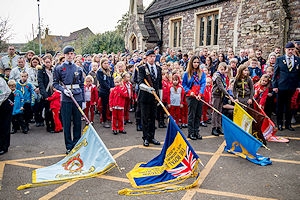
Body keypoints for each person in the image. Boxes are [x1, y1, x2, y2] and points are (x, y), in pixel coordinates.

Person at [53, 46, 85, 154]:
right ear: (64, 55)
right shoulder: (59, 68)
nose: (70, 56)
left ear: (74, 55)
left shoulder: (79, 68)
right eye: (68, 54)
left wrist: (83, 100)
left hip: (77, 97)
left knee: (77, 122)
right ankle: (69, 145)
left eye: (72, 54)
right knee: (67, 123)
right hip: (66, 98)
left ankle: (77, 144)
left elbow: (81, 85)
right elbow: (55, 83)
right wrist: (63, 90)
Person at [272, 42, 300, 131]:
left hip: (292, 87)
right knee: (280, 106)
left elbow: (299, 74)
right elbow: (275, 74)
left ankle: (288, 124)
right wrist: (274, 86)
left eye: (292, 49)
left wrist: (298, 85)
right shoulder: (280, 59)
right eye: (289, 49)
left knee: (289, 106)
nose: (290, 51)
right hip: (281, 86)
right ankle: (279, 124)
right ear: (285, 50)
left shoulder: (297, 60)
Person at [138, 49, 162, 147]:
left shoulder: (158, 69)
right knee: (145, 118)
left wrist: (160, 98)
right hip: (145, 97)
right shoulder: (142, 68)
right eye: (150, 56)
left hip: (154, 98)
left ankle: (152, 137)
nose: (152, 58)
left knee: (153, 118)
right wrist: (148, 88)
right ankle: (145, 138)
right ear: (147, 58)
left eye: (154, 56)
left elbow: (160, 84)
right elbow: (140, 83)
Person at [182, 55, 206, 140]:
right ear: (191, 63)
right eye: (194, 62)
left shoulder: (201, 73)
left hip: (199, 96)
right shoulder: (186, 73)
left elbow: (203, 83)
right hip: (191, 96)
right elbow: (184, 84)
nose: (196, 64)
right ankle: (191, 132)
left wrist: (200, 93)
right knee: (191, 114)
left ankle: (196, 131)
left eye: (197, 62)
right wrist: (189, 91)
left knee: (198, 114)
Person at [211, 62, 235, 136]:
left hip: (221, 95)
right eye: (221, 69)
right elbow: (221, 87)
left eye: (223, 70)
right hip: (216, 95)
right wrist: (228, 95)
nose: (222, 71)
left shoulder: (223, 76)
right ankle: (214, 127)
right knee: (215, 111)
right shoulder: (217, 76)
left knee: (219, 111)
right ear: (218, 68)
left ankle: (218, 127)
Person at [38, 54, 55, 132]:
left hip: (54, 92)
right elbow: (40, 83)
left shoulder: (54, 70)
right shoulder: (41, 71)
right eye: (46, 62)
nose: (48, 64)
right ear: (43, 62)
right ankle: (48, 126)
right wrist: (44, 94)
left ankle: (55, 125)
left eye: (49, 62)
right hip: (46, 92)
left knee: (54, 109)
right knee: (48, 110)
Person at [97, 58, 114, 128]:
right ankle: (104, 120)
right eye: (105, 63)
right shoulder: (100, 72)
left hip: (110, 90)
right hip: (104, 91)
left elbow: (111, 80)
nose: (107, 65)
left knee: (110, 105)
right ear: (101, 64)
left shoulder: (110, 71)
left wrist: (113, 87)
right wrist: (109, 88)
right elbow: (102, 82)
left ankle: (110, 118)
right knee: (104, 106)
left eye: (107, 63)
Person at [0, 76, 14, 155]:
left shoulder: (0, 82)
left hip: (6, 101)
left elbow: (2, 95)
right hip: (2, 100)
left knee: (4, 124)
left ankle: (4, 147)